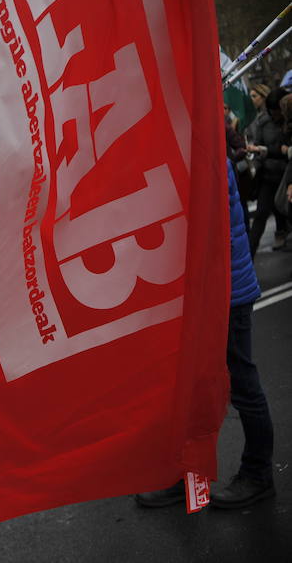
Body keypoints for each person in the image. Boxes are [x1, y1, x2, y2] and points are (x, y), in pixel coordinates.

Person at [136, 158, 275, 509]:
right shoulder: (181, 145)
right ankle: (186, 475)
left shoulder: (206, 151)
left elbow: (204, 224)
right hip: (195, 294)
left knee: (242, 384)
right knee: (189, 390)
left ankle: (258, 475)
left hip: (224, 292)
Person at [246, 86, 289, 254]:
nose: (275, 115)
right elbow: (258, 146)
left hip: (286, 175)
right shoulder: (263, 121)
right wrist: (256, 167)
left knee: (284, 211)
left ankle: (282, 232)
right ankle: (250, 252)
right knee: (261, 214)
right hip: (268, 175)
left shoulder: (288, 121)